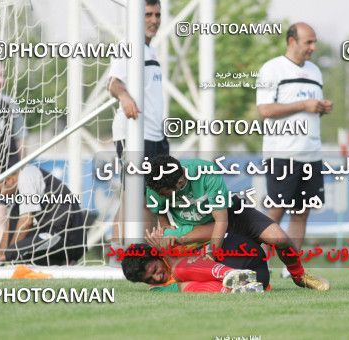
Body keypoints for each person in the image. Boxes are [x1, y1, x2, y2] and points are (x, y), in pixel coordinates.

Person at [144, 155, 330, 291]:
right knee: (176, 246)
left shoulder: (205, 172)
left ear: (181, 180)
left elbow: (221, 220)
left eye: (165, 193)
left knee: (280, 238)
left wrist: (212, 254)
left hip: (230, 216)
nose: (160, 196)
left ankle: (299, 276)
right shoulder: (155, 185)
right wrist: (167, 235)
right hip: (195, 230)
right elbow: (162, 218)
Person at [256, 22, 333, 278]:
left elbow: (311, 111)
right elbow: (265, 110)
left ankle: (293, 269)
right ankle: (258, 262)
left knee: (302, 212)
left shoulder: (315, 71)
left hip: (311, 153)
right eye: (308, 42)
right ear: (292, 41)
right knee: (276, 210)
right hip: (282, 153)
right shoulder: (272, 69)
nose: (313, 47)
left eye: (314, 42)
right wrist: (304, 104)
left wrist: (319, 108)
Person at [107, 0, 168, 244]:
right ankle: (127, 254)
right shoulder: (129, 46)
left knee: (144, 198)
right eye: (148, 15)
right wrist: (124, 96)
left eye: (157, 14)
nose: (154, 20)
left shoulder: (149, 50)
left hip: (155, 135)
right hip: (133, 132)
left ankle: (128, 254)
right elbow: (113, 83)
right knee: (139, 198)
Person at [0, 165, 86, 265]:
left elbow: (26, 221)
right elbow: (9, 230)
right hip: (51, 234)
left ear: (9, 180)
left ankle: (65, 262)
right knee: (16, 253)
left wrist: (9, 253)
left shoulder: (26, 175)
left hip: (67, 238)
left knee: (16, 255)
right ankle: (60, 262)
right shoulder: (19, 196)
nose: (0, 197)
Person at [121, 231, 269, 293]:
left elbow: (216, 229)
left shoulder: (174, 240)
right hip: (259, 279)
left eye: (155, 270)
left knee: (180, 271)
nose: (157, 278)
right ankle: (239, 289)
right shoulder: (157, 289)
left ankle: (231, 274)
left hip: (239, 251)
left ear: (157, 255)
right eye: (149, 279)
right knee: (184, 284)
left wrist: (169, 247)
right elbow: (179, 284)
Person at [0, 61, 26, 253]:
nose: (1, 79)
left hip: (2, 170)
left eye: (3, 75)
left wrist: (19, 168)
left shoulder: (9, 104)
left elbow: (20, 140)